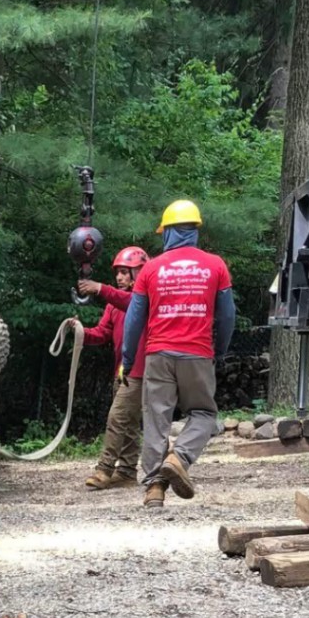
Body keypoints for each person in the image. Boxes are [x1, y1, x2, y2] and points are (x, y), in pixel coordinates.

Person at [120, 200, 235, 509]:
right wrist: (220, 351)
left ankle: (154, 490)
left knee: (156, 418)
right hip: (198, 354)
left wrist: (127, 359)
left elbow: (134, 319)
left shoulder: (151, 269)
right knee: (204, 414)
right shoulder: (216, 265)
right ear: (194, 230)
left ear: (168, 231)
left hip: (158, 354)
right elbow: (227, 316)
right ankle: (179, 458)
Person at [71, 245, 149, 489]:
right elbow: (103, 333)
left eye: (125, 272)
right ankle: (126, 472)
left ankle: (104, 469)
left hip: (140, 370)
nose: (119, 277)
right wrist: (81, 332)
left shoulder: (146, 298)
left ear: (139, 272)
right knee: (129, 424)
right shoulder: (114, 304)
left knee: (117, 417)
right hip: (122, 370)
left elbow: (132, 303)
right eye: (118, 273)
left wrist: (100, 288)